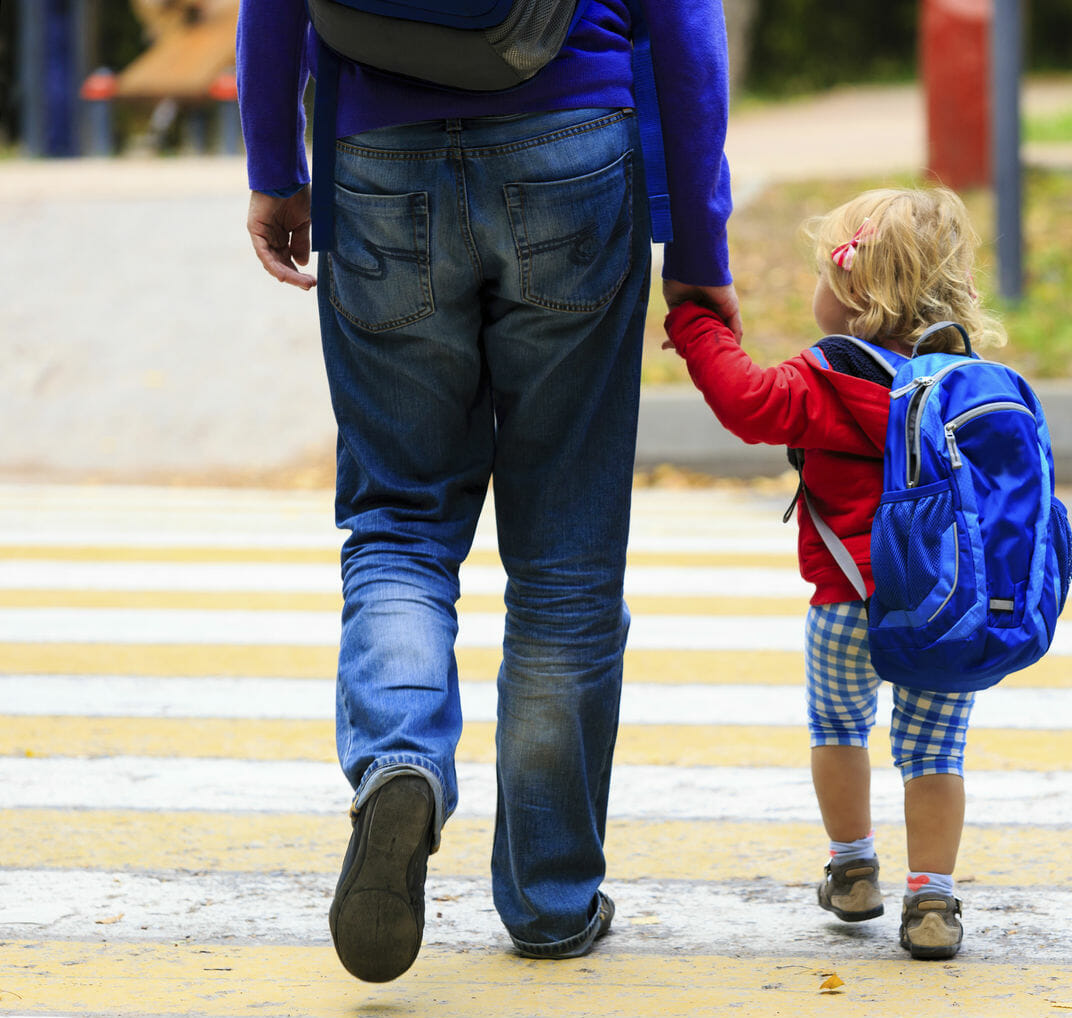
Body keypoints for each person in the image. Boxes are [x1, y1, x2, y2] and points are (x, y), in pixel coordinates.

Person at [235, 0, 737, 982]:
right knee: (565, 554)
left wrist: (274, 166)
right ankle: (549, 899)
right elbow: (684, 26)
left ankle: (399, 761)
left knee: (398, 521)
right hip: (573, 147)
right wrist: (698, 245)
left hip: (375, 153)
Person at [661, 186, 1001, 961]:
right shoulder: (966, 386)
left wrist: (696, 323)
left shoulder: (832, 377)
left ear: (851, 291)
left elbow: (747, 402)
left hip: (847, 603)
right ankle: (932, 899)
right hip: (948, 609)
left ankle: (852, 868)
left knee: (839, 730)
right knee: (936, 754)